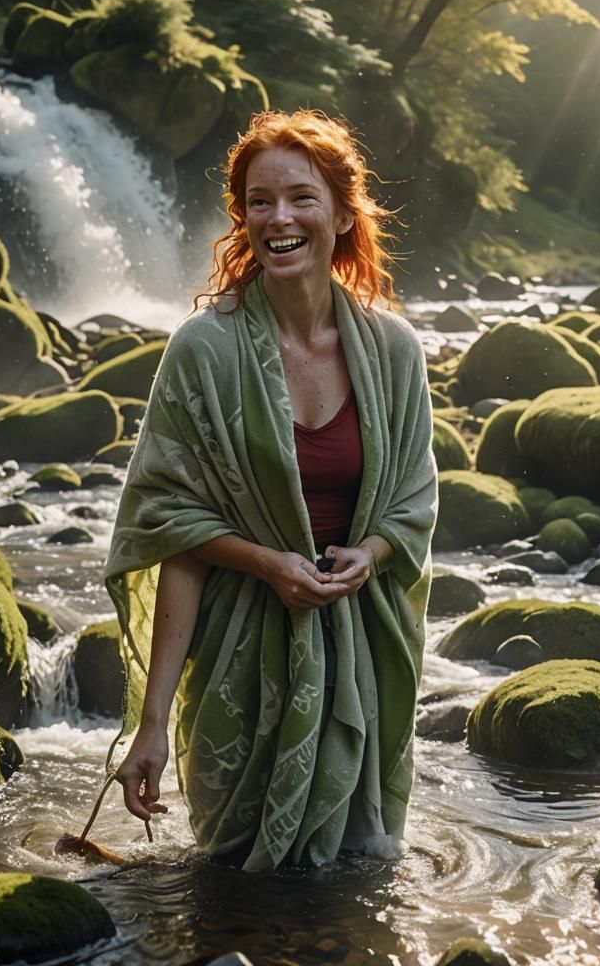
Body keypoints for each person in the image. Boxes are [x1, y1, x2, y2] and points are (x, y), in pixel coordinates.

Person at [104, 108, 437, 871]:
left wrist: (373, 553)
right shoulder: (204, 349)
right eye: (259, 201)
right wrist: (151, 724)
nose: (278, 218)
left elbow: (414, 504)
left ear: (344, 212)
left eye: (301, 197)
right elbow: (171, 525)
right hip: (237, 654)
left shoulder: (394, 350)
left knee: (358, 874)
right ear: (242, 217)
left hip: (362, 651)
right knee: (231, 874)